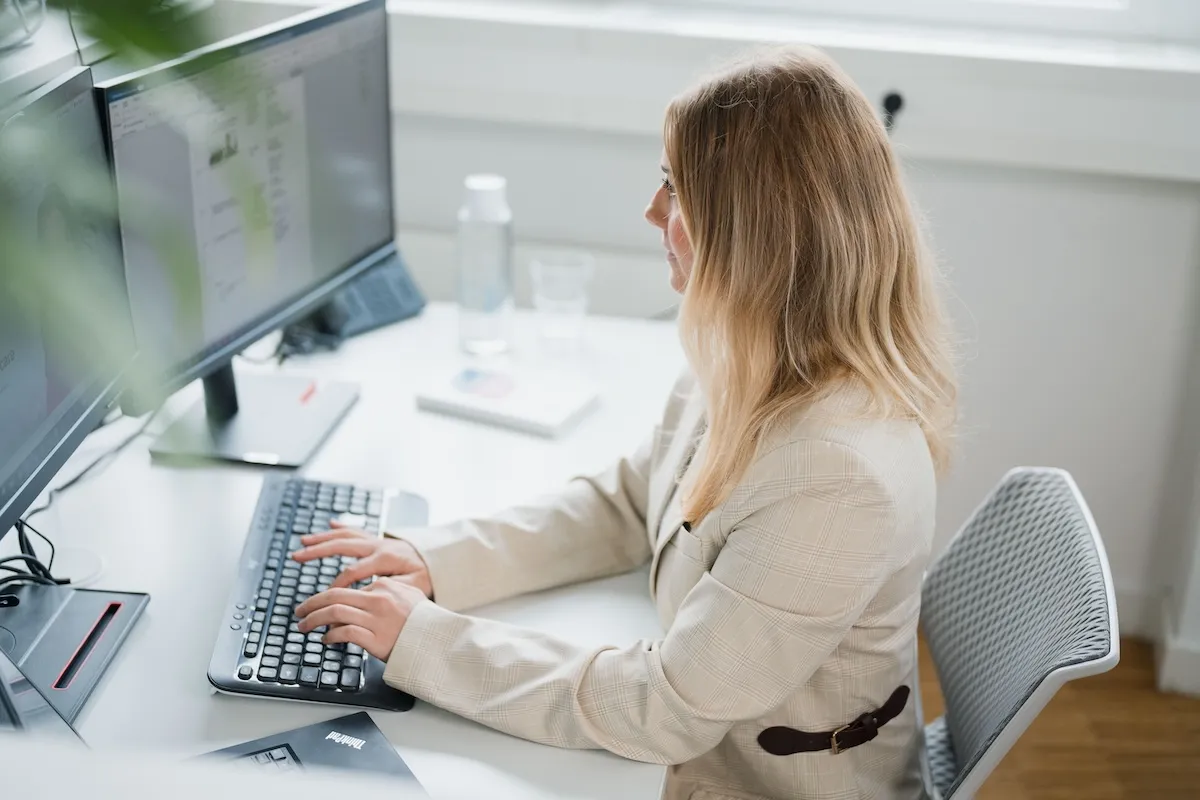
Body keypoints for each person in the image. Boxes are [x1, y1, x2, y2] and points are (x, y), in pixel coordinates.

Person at [293, 44, 957, 800]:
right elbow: (627, 502)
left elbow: (662, 710)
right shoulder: (754, 357)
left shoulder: (838, 474)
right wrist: (435, 561)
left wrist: (424, 640)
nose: (651, 211)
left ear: (753, 232)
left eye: (676, 188)